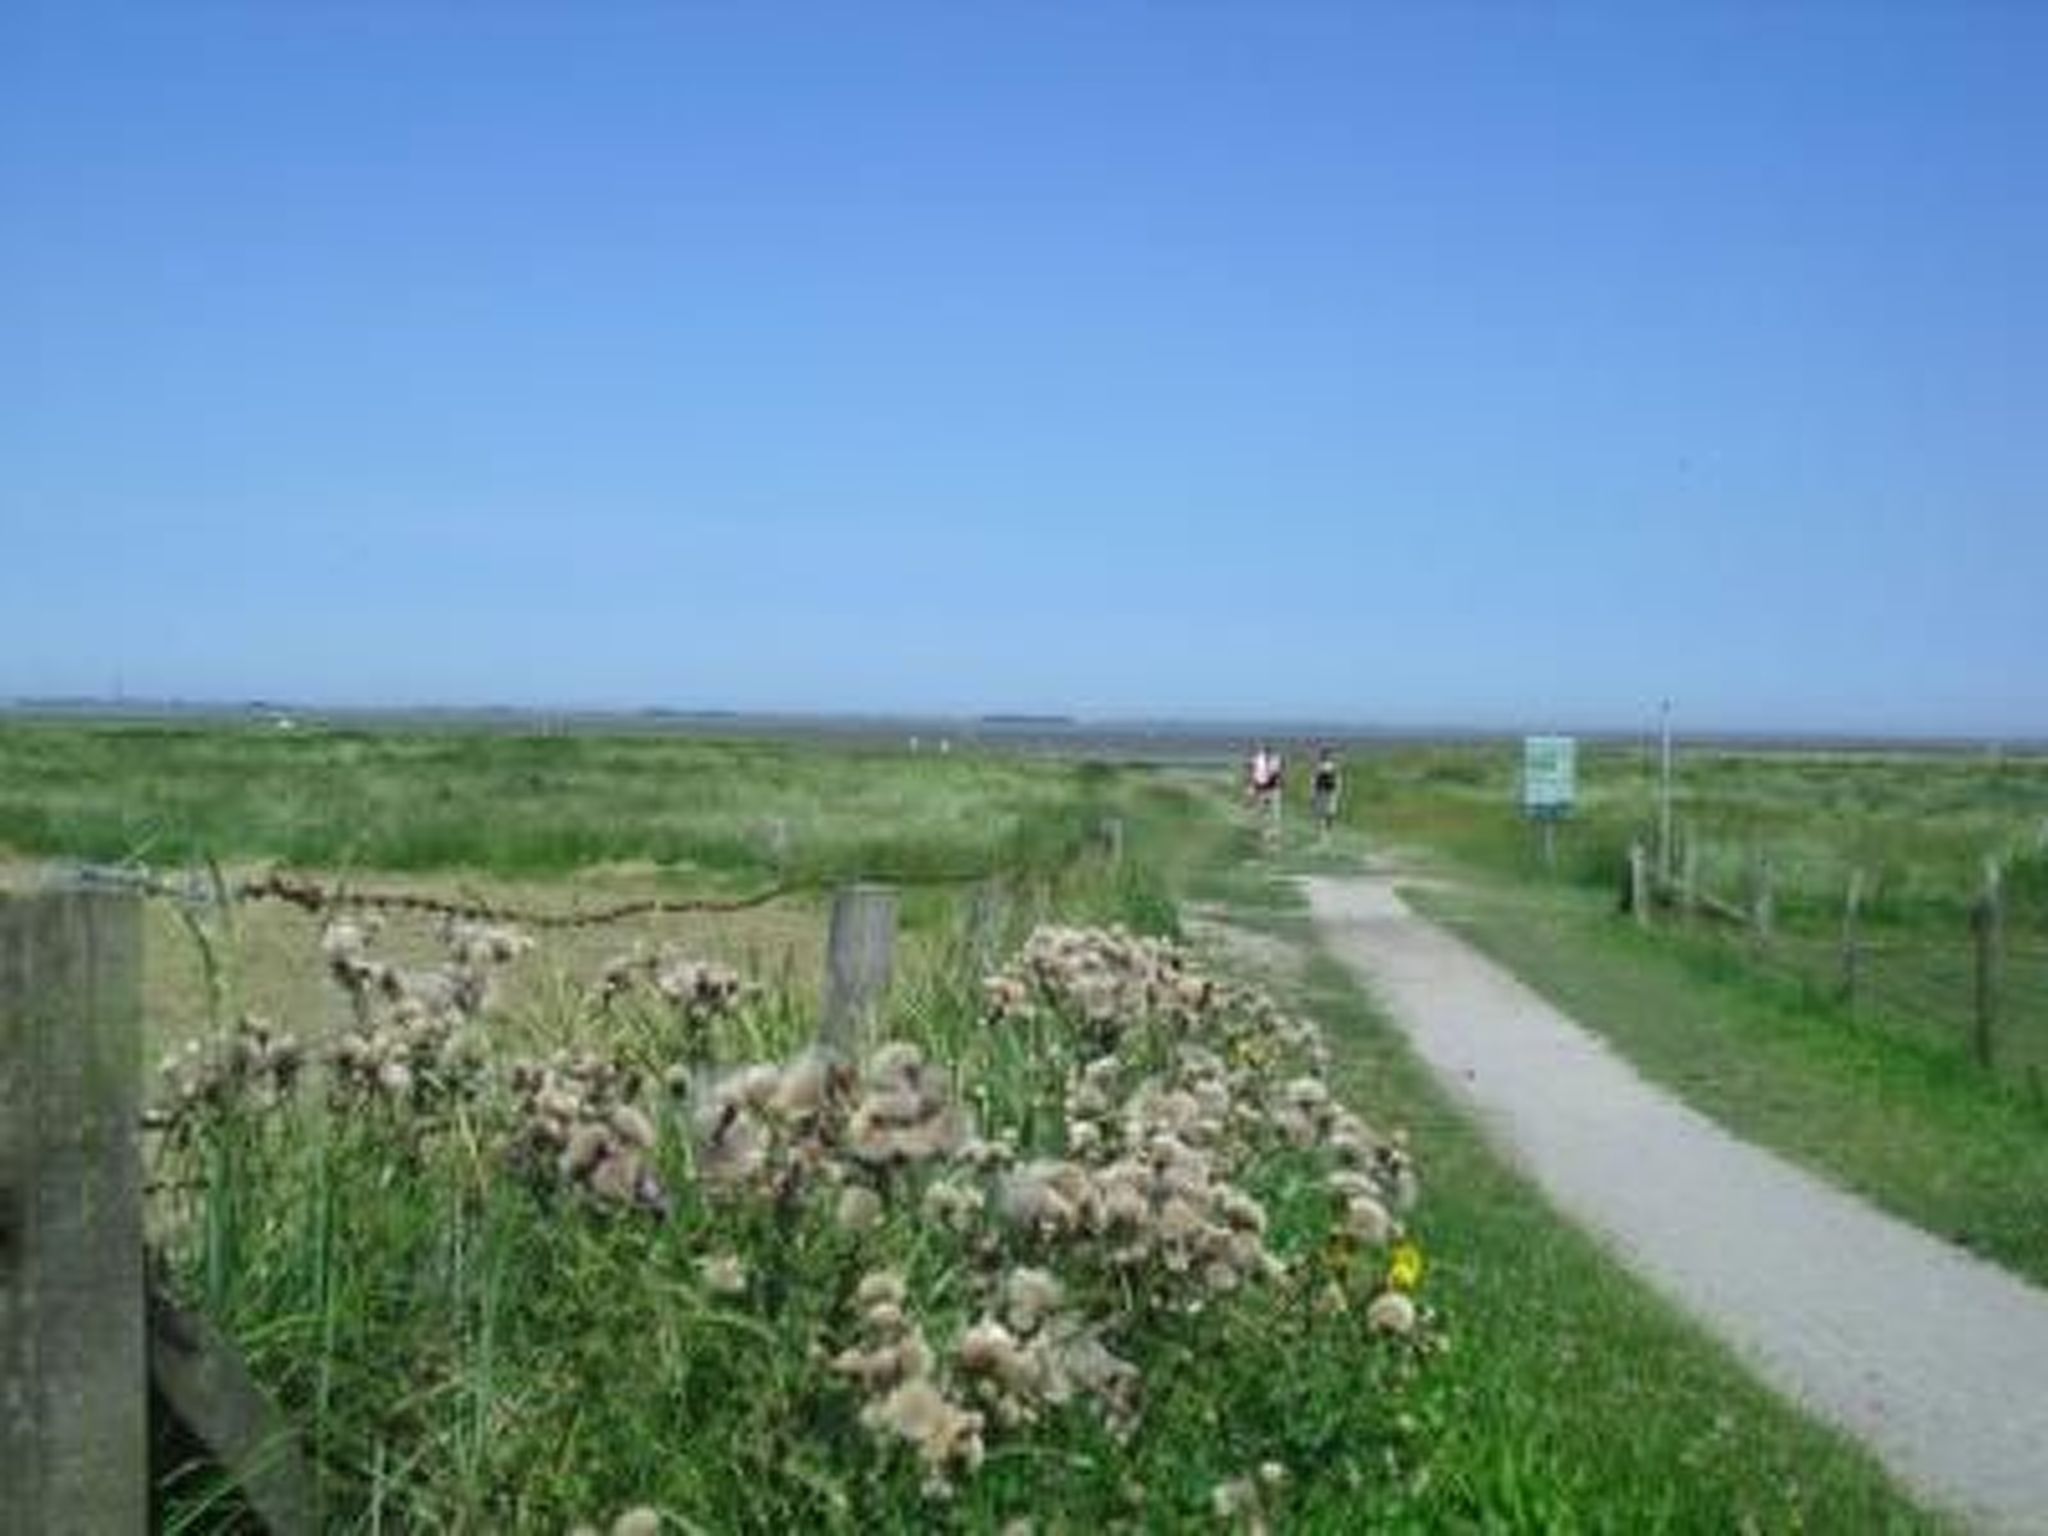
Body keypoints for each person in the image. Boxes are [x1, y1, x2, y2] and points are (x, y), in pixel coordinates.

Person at [1311, 746, 1343, 838]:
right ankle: (1321, 830)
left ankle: (1328, 829)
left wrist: (1337, 790)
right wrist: (1313, 792)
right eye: (1324, 755)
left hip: (1329, 790)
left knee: (1330, 811)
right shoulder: (1318, 766)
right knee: (1321, 811)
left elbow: (1337, 779)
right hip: (1321, 791)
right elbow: (1314, 779)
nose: (1325, 756)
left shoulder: (1333, 766)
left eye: (1327, 755)